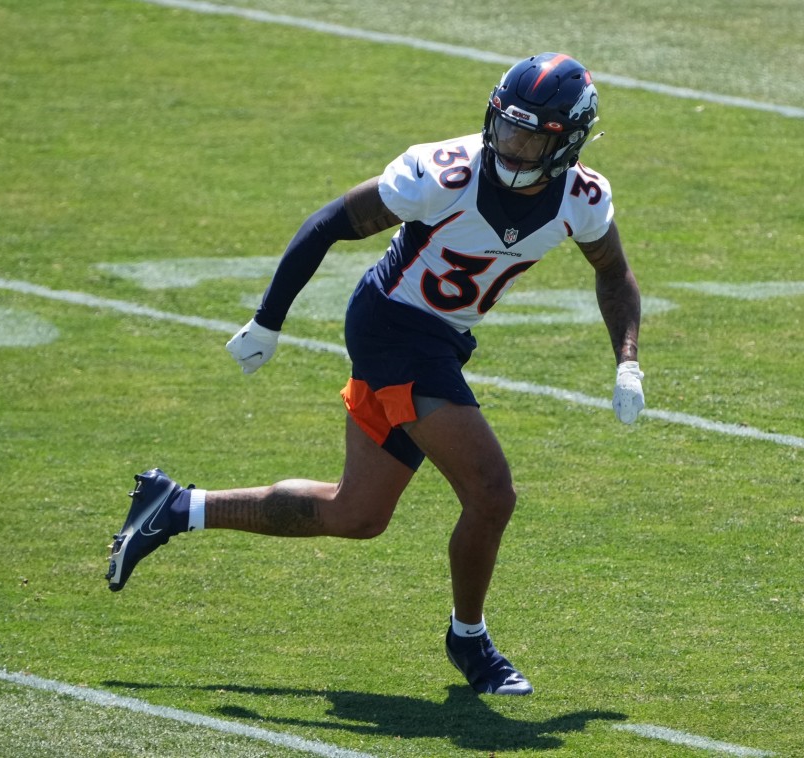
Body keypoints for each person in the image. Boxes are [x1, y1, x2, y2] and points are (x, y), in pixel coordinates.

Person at [106, 52, 644, 696]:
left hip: (441, 338)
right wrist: (268, 320)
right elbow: (330, 222)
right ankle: (469, 640)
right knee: (492, 493)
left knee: (357, 512)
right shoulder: (445, 174)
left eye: (532, 135)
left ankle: (178, 507)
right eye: (506, 126)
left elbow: (612, 271)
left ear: (569, 141)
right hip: (393, 329)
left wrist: (628, 361)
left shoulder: (582, 198)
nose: (512, 143)